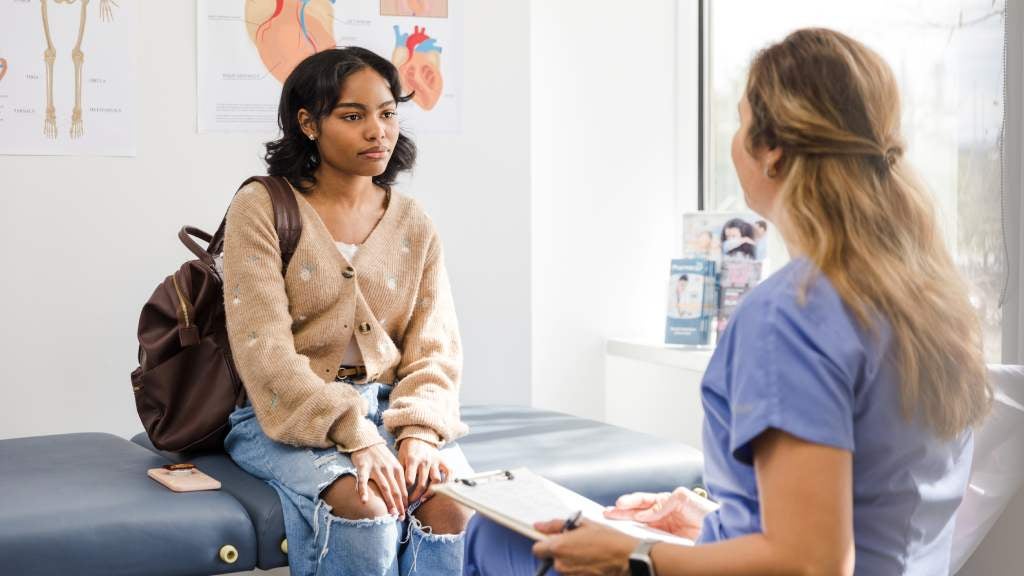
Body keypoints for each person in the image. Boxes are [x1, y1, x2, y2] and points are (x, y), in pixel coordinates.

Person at [463, 28, 991, 575]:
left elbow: (813, 563)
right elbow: (858, 512)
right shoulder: (933, 300)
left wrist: (635, 554)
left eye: (740, 123)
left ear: (773, 153)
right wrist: (714, 524)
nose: (734, 139)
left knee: (495, 540)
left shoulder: (793, 314)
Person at [221, 47, 472, 576]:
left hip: (391, 407)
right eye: (352, 116)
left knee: (452, 507)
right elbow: (263, 352)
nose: (377, 131)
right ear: (308, 123)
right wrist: (356, 436)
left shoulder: (414, 223)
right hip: (283, 415)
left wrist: (420, 435)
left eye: (387, 113)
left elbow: (435, 348)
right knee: (367, 504)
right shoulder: (262, 207)